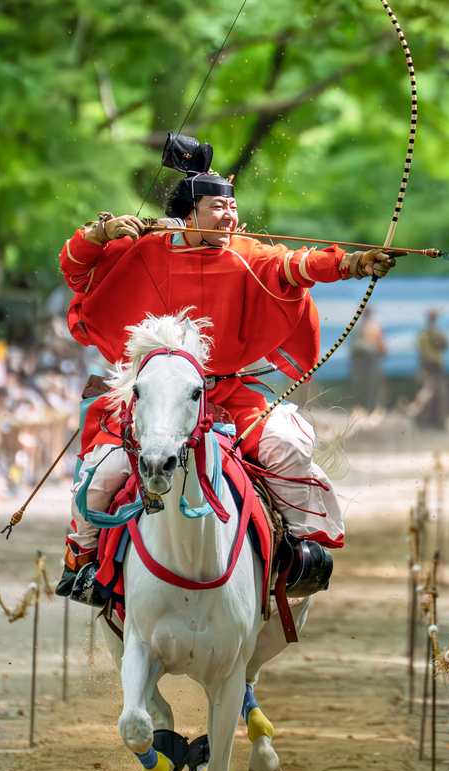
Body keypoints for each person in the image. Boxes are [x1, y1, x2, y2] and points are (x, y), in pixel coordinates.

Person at [58, 134, 403, 596]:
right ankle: (81, 561)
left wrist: (353, 263)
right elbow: (75, 271)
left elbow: (295, 266)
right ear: (190, 214)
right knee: (103, 468)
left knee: (287, 444)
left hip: (227, 394)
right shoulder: (140, 248)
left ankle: (300, 552)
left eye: (233, 207)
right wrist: (97, 234)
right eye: (219, 208)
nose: (231, 215)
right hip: (154, 398)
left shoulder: (247, 253)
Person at [413, 310, 449, 429]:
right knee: (427, 395)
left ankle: (436, 421)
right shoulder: (424, 335)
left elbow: (445, 344)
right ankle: (423, 421)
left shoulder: (435, 333)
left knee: (439, 394)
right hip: (428, 366)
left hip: (436, 367)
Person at [349, 308, 387, 412]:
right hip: (361, 363)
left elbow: (382, 346)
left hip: (373, 362)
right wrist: (370, 349)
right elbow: (355, 345)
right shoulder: (358, 328)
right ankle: (361, 408)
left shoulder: (375, 327)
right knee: (361, 386)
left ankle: (373, 408)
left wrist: (379, 350)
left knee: (374, 387)